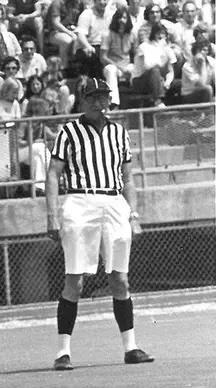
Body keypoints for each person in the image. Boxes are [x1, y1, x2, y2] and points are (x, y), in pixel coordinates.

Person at [45, 77, 153, 371]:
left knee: (120, 278)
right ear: (82, 100)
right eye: (92, 97)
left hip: (113, 201)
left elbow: (128, 178)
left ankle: (131, 347)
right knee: (75, 280)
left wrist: (134, 214)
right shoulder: (69, 132)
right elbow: (53, 173)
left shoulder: (119, 133)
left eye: (103, 96)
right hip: (80, 202)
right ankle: (62, 351)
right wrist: (52, 215)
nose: (99, 102)